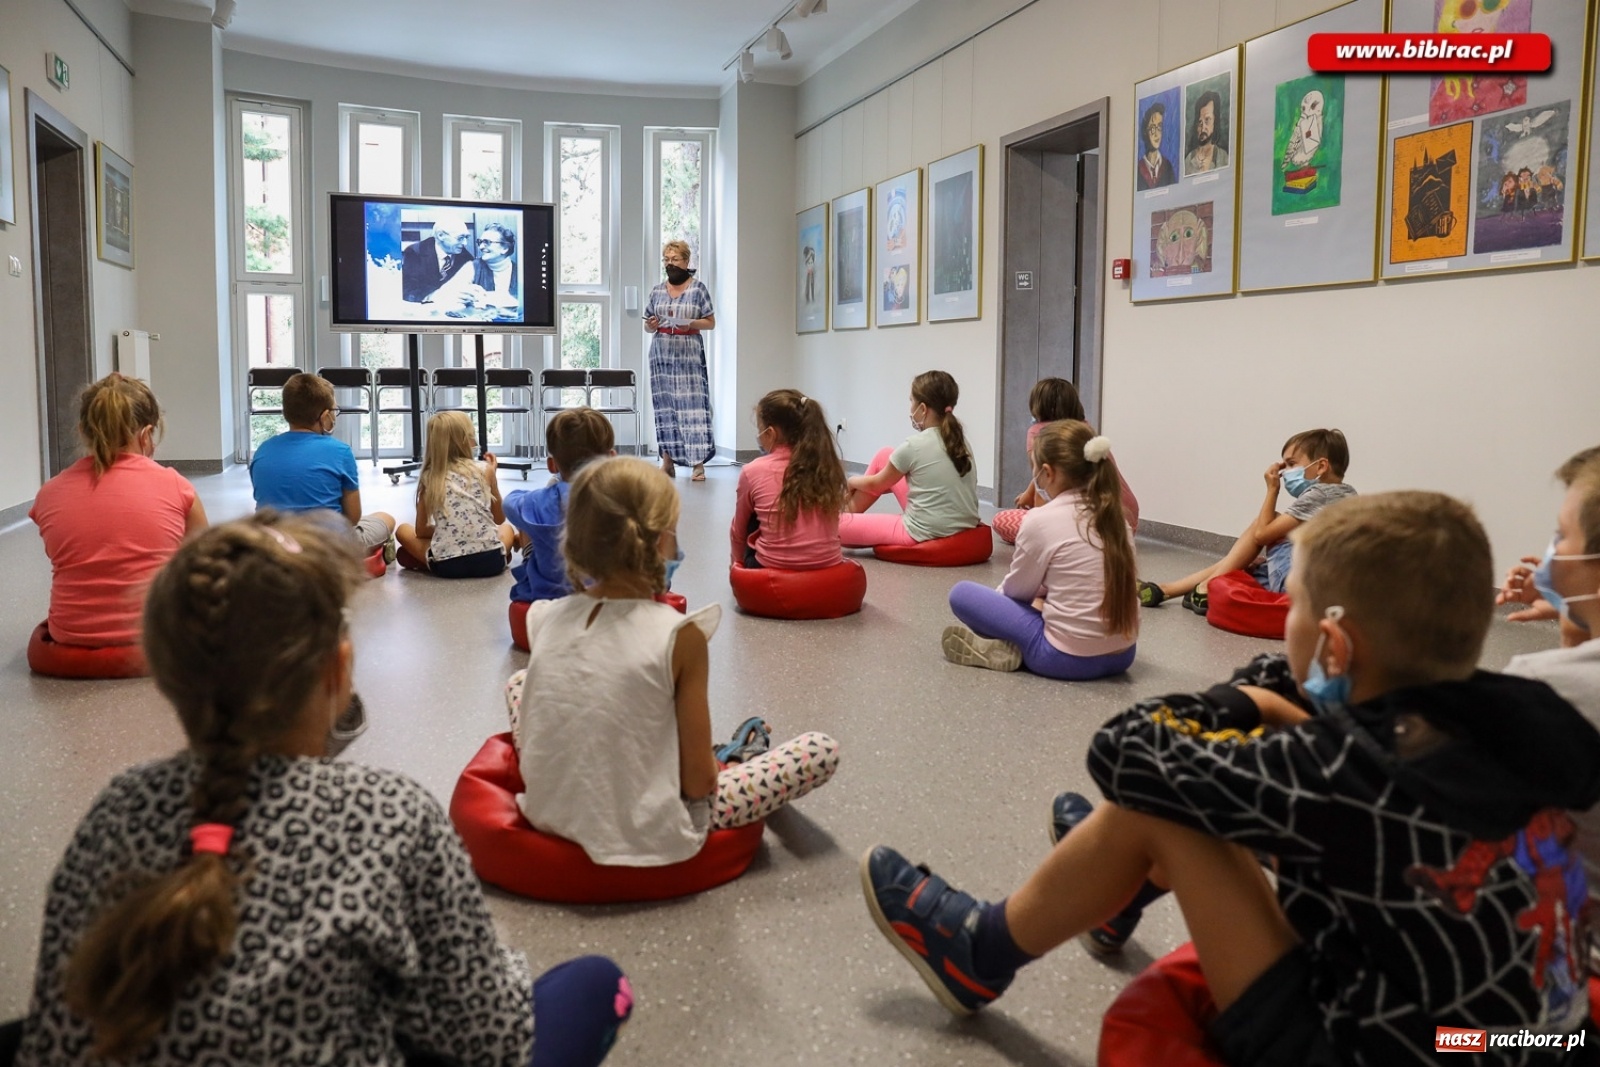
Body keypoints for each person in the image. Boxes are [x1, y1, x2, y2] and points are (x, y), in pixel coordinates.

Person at [862, 491, 1600, 1064]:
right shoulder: (1535, 712)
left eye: (1297, 606)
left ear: (1334, 641)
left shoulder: (1336, 768)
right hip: (1537, 1041)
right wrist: (1301, 702)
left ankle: (979, 949)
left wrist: (1246, 698)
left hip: (1376, 1047)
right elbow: (1396, 792)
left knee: (1160, 805)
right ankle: (1111, 894)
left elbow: (1123, 750)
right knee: (1212, 791)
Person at [11, 514, 631, 1066]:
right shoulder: (390, 814)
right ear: (338, 667)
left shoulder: (116, 807)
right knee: (598, 983)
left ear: (168, 676)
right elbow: (491, 1040)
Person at [511, 457, 839, 867]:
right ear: (661, 540)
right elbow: (699, 781)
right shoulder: (681, 636)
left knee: (518, 683)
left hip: (548, 817)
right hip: (656, 831)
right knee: (819, 751)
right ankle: (739, 754)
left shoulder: (542, 617)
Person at [1501, 446, 1600, 968]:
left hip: (1579, 958)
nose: (1553, 551)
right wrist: (1575, 614)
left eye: (1562, 536)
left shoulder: (1541, 687)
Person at [942, 421, 1137, 680]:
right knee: (1043, 599)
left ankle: (1014, 649)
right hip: (1123, 655)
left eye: (1033, 467)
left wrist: (1013, 605)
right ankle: (1011, 646)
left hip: (1065, 659)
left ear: (1047, 472)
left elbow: (1016, 593)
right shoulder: (1118, 521)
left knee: (962, 594)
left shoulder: (1040, 520)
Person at [29, 374, 207, 650]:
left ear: (81, 431)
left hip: (72, 637)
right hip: (156, 639)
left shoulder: (49, 493)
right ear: (146, 435)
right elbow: (202, 564)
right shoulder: (177, 486)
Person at [1139, 428, 1353, 615]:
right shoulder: (1346, 493)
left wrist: (1272, 489)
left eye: (1291, 464)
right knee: (1243, 565)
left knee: (1261, 525)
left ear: (1321, 466)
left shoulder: (1319, 494)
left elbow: (1262, 533)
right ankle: (1166, 589)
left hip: (1298, 585)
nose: (1285, 472)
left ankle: (1202, 588)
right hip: (1321, 585)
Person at [250, 372, 396, 555]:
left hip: (276, 545)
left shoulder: (263, 450)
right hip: (327, 548)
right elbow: (352, 517)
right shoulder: (340, 451)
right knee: (385, 519)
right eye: (334, 411)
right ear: (325, 416)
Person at [839, 370, 980, 549]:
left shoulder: (914, 445)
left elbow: (877, 484)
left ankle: (843, 516)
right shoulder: (960, 441)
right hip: (963, 524)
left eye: (911, 401)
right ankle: (847, 512)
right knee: (885, 455)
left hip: (924, 530)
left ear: (922, 409)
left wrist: (851, 481)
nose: (910, 407)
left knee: (834, 527)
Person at [990, 378, 1139, 545]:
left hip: (1088, 525)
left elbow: (1043, 482)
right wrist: (1029, 492)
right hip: (1125, 522)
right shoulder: (1084, 429)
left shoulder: (1037, 433)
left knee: (1001, 520)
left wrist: (1038, 521)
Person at [504, 407, 615, 604]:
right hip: (612, 597)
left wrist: (546, 491)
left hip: (549, 597)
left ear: (551, 465)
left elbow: (509, 503)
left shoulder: (536, 502)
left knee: (527, 521)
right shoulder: (628, 499)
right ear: (612, 458)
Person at [730, 389, 846, 571]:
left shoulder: (752, 471)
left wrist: (736, 567)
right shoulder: (826, 465)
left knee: (750, 516)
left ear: (770, 433)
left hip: (771, 576)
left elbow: (738, 532)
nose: (759, 436)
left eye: (760, 430)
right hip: (829, 572)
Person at [395, 410, 516, 578]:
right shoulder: (485, 470)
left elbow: (421, 531)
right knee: (506, 529)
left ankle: (423, 559)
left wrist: (449, 530)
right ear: (466, 440)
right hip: (491, 562)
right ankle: (503, 552)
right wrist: (492, 475)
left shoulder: (429, 477)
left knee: (402, 530)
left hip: (447, 567)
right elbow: (499, 519)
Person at [644, 240, 716, 481]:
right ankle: (667, 462)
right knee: (665, 406)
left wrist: (690, 322)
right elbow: (647, 324)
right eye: (666, 259)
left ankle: (698, 464)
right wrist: (651, 324)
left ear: (686, 261)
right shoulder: (656, 291)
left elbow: (710, 322)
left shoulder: (698, 289)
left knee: (692, 406)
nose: (670, 264)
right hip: (661, 351)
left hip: (688, 350)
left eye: (674, 259)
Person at [433, 223, 518, 317]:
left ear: (505, 248)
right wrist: (457, 295)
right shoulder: (472, 267)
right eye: (480, 242)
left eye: (487, 242)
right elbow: (439, 297)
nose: (481, 247)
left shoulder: (521, 273)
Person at [401, 216, 475, 302]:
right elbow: (407, 290)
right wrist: (439, 295)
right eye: (460, 238)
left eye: (467, 237)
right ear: (441, 235)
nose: (465, 243)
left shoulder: (465, 257)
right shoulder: (415, 252)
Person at [1183, 89, 1229, 174]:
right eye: (1200, 122)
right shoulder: (1188, 160)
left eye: (1207, 120)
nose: (1203, 127)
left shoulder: (1224, 157)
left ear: (1215, 121)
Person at [1136, 100, 1176, 190]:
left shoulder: (1167, 167)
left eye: (1159, 127)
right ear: (1145, 132)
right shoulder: (1138, 170)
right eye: (1152, 128)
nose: (1156, 134)